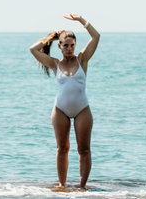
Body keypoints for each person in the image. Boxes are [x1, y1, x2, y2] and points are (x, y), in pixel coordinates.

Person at [29, 12, 100, 189]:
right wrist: (53, 36)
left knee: (84, 150)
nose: (69, 48)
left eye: (72, 45)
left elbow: (96, 36)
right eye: (66, 45)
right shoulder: (55, 63)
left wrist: (81, 20)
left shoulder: (83, 59)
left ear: (76, 45)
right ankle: (62, 186)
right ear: (60, 46)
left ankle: (82, 187)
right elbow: (33, 49)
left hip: (82, 109)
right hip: (60, 110)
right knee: (62, 149)